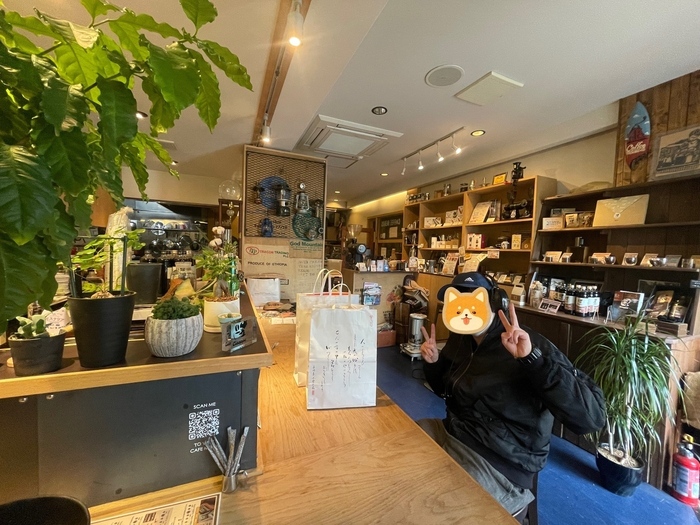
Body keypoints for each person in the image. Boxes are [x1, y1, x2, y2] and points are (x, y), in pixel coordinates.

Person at [418, 272, 605, 515]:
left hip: (501, 462)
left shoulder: (528, 344)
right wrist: (434, 364)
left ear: (496, 303)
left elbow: (591, 418)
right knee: (397, 450)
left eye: (474, 297)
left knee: (432, 508)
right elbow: (445, 391)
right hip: (454, 433)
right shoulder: (461, 339)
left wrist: (532, 360)